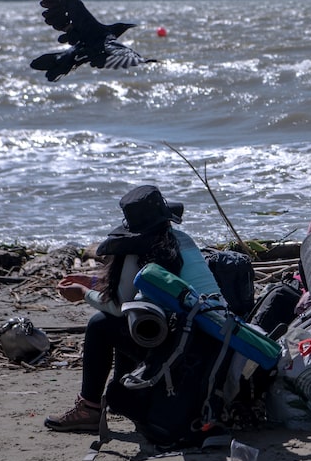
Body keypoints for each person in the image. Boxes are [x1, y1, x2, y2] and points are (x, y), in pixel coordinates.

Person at [45, 185, 220, 433]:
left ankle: (89, 408)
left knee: (101, 325)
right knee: (133, 321)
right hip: (212, 339)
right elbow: (140, 288)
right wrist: (94, 281)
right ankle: (125, 388)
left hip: (183, 345)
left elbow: (119, 306)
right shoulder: (181, 240)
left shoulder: (141, 249)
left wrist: (83, 293)